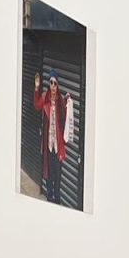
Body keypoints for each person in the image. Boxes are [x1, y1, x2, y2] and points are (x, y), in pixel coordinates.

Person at [31, 69, 73, 203]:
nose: (53, 86)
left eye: (55, 83)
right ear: (49, 84)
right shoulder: (45, 97)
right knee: (49, 176)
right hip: (48, 146)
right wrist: (37, 87)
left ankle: (58, 201)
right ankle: (49, 200)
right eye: (51, 83)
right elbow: (37, 105)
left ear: (58, 85)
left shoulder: (60, 100)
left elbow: (66, 118)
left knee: (58, 177)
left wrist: (68, 103)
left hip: (58, 146)